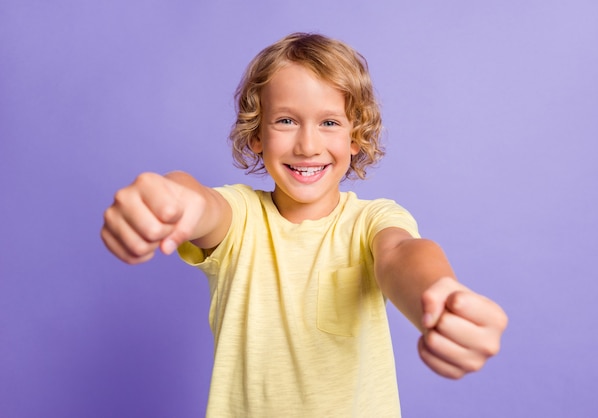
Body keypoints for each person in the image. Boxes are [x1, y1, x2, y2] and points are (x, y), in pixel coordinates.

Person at [101, 32, 508, 417]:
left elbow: (402, 254)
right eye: (286, 121)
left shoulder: (372, 220)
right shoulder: (241, 218)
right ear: (257, 133)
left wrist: (440, 297)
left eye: (329, 122)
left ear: (355, 136)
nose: (308, 145)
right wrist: (171, 198)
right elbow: (201, 202)